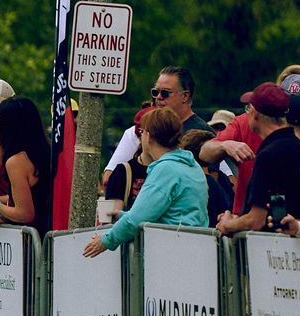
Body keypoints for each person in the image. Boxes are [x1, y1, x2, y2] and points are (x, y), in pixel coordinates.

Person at [83, 107, 209, 255]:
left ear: (148, 136)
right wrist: (124, 215)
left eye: (141, 132)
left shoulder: (165, 169)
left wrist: (105, 240)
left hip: (170, 253)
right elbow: (176, 213)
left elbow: (137, 219)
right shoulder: (192, 166)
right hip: (197, 249)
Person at [215, 82, 300, 235]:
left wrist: (228, 224)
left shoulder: (268, 156)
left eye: (248, 108)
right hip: (293, 248)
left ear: (255, 114)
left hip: (271, 249)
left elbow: (257, 219)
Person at [0, 96, 54, 234]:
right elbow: (32, 199)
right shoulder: (45, 152)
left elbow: (25, 214)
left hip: (32, 242)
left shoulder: (16, 161)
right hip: (48, 233)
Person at [150, 66, 211, 133]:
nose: (158, 97)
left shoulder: (201, 134)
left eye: (165, 93)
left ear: (185, 96)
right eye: (155, 92)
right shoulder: (156, 130)